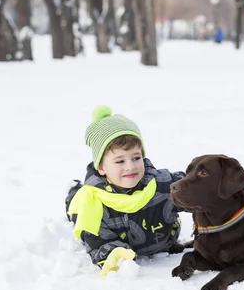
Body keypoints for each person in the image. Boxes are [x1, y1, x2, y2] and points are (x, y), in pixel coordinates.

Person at [65, 106, 186, 276]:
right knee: (77, 206)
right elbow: (97, 243)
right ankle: (73, 190)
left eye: (136, 158)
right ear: (101, 167)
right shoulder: (94, 205)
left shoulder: (161, 184)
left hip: (165, 241)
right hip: (91, 203)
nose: (131, 166)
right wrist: (115, 255)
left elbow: (191, 190)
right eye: (120, 161)